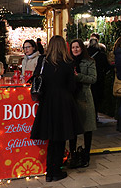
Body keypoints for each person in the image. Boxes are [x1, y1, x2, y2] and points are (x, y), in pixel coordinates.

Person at [30, 35, 84, 182]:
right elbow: (72, 87)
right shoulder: (68, 62)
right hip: (64, 102)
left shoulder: (42, 61)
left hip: (47, 102)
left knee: (51, 138)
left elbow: (36, 79)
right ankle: (56, 171)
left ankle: (49, 171)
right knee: (60, 138)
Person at [68, 39, 97, 168]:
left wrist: (78, 76)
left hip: (84, 97)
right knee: (72, 128)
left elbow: (93, 79)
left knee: (87, 128)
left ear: (82, 48)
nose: (75, 49)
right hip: (72, 97)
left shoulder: (89, 61)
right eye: (73, 47)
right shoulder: (67, 62)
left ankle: (86, 155)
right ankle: (73, 154)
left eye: (77, 47)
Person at [87, 38, 111, 120]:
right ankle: (95, 115)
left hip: (87, 79)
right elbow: (107, 67)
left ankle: (89, 115)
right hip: (99, 79)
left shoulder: (85, 54)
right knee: (97, 98)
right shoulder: (101, 55)